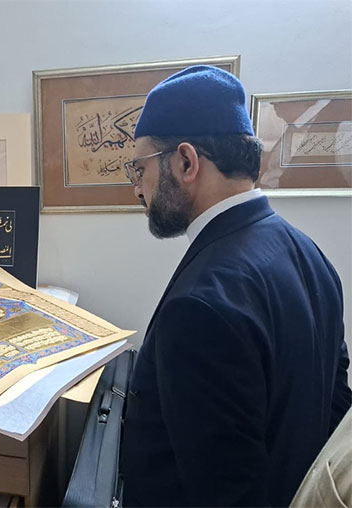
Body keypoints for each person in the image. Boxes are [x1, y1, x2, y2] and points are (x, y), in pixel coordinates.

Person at [119, 66, 351, 507]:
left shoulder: (199, 307)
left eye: (139, 168)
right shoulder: (310, 256)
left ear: (186, 162)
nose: (137, 190)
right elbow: (332, 409)